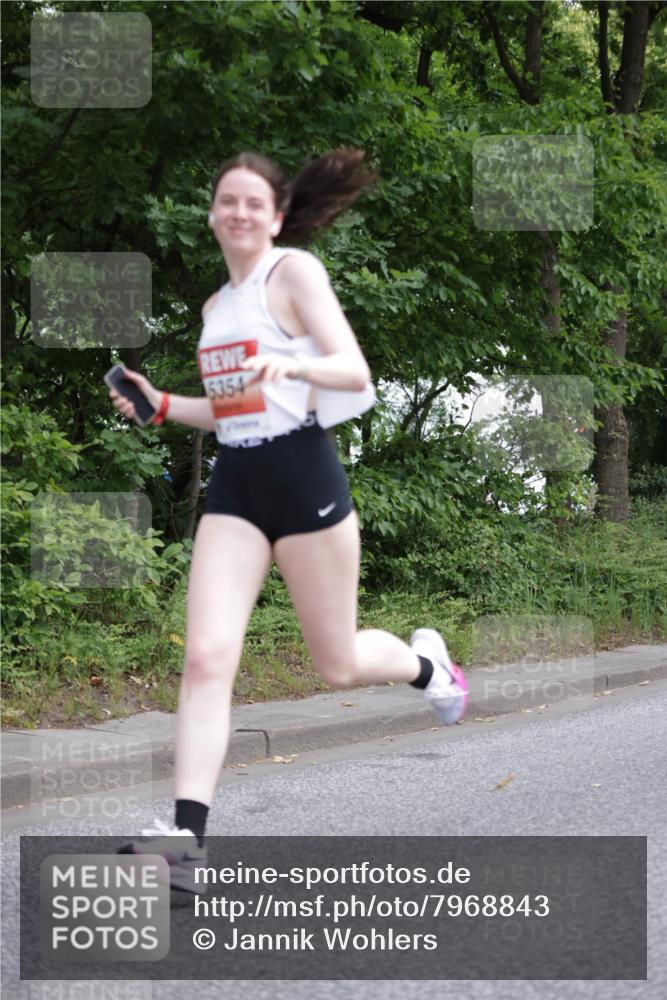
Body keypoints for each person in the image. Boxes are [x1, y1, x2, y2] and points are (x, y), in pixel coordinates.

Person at [109, 150, 468, 893]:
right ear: (211, 214)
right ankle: (185, 840)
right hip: (236, 483)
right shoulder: (214, 310)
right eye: (225, 201)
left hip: (304, 473)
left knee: (335, 662)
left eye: (252, 203)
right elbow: (229, 410)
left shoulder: (293, 273)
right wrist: (164, 404)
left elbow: (353, 370)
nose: (237, 212)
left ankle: (430, 666)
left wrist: (293, 368)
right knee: (207, 656)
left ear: (274, 217)